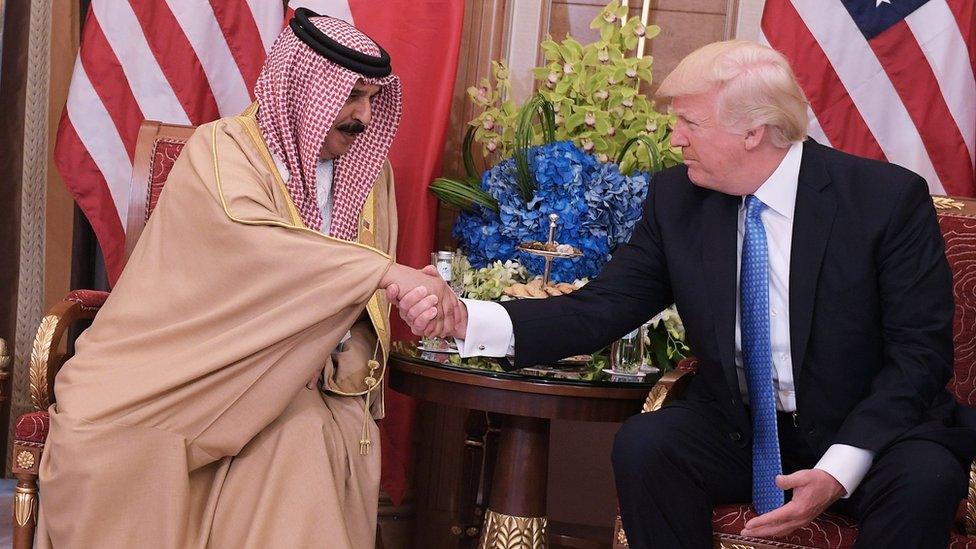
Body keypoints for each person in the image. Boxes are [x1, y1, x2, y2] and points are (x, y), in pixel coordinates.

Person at [391, 40, 976, 548]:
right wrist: (464, 317)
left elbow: (918, 357)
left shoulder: (884, 199)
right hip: (743, 429)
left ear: (754, 131)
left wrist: (838, 469)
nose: (674, 140)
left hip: (871, 429)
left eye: (689, 124)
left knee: (925, 479)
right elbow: (600, 309)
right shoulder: (678, 200)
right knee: (649, 445)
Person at [37, 9, 454, 548]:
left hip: (304, 379)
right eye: (351, 96)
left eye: (374, 98)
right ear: (305, 90)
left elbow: (366, 300)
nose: (364, 117)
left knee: (299, 442)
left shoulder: (369, 177)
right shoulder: (220, 152)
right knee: (109, 445)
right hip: (182, 367)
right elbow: (258, 247)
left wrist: (407, 291)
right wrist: (384, 273)